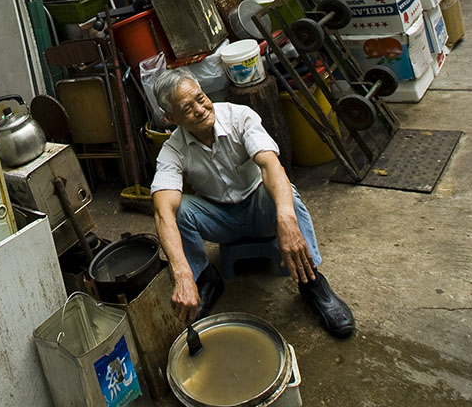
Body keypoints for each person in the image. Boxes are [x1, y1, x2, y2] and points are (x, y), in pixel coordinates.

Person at [151, 66, 354, 338]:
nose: (200, 109)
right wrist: (182, 274)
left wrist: (285, 218)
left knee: (285, 193)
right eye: (187, 108)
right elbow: (163, 211)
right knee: (177, 211)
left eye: (200, 98)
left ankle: (312, 282)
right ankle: (205, 279)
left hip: (259, 210)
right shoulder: (172, 149)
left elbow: (271, 165)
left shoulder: (239, 117)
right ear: (170, 118)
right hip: (220, 219)